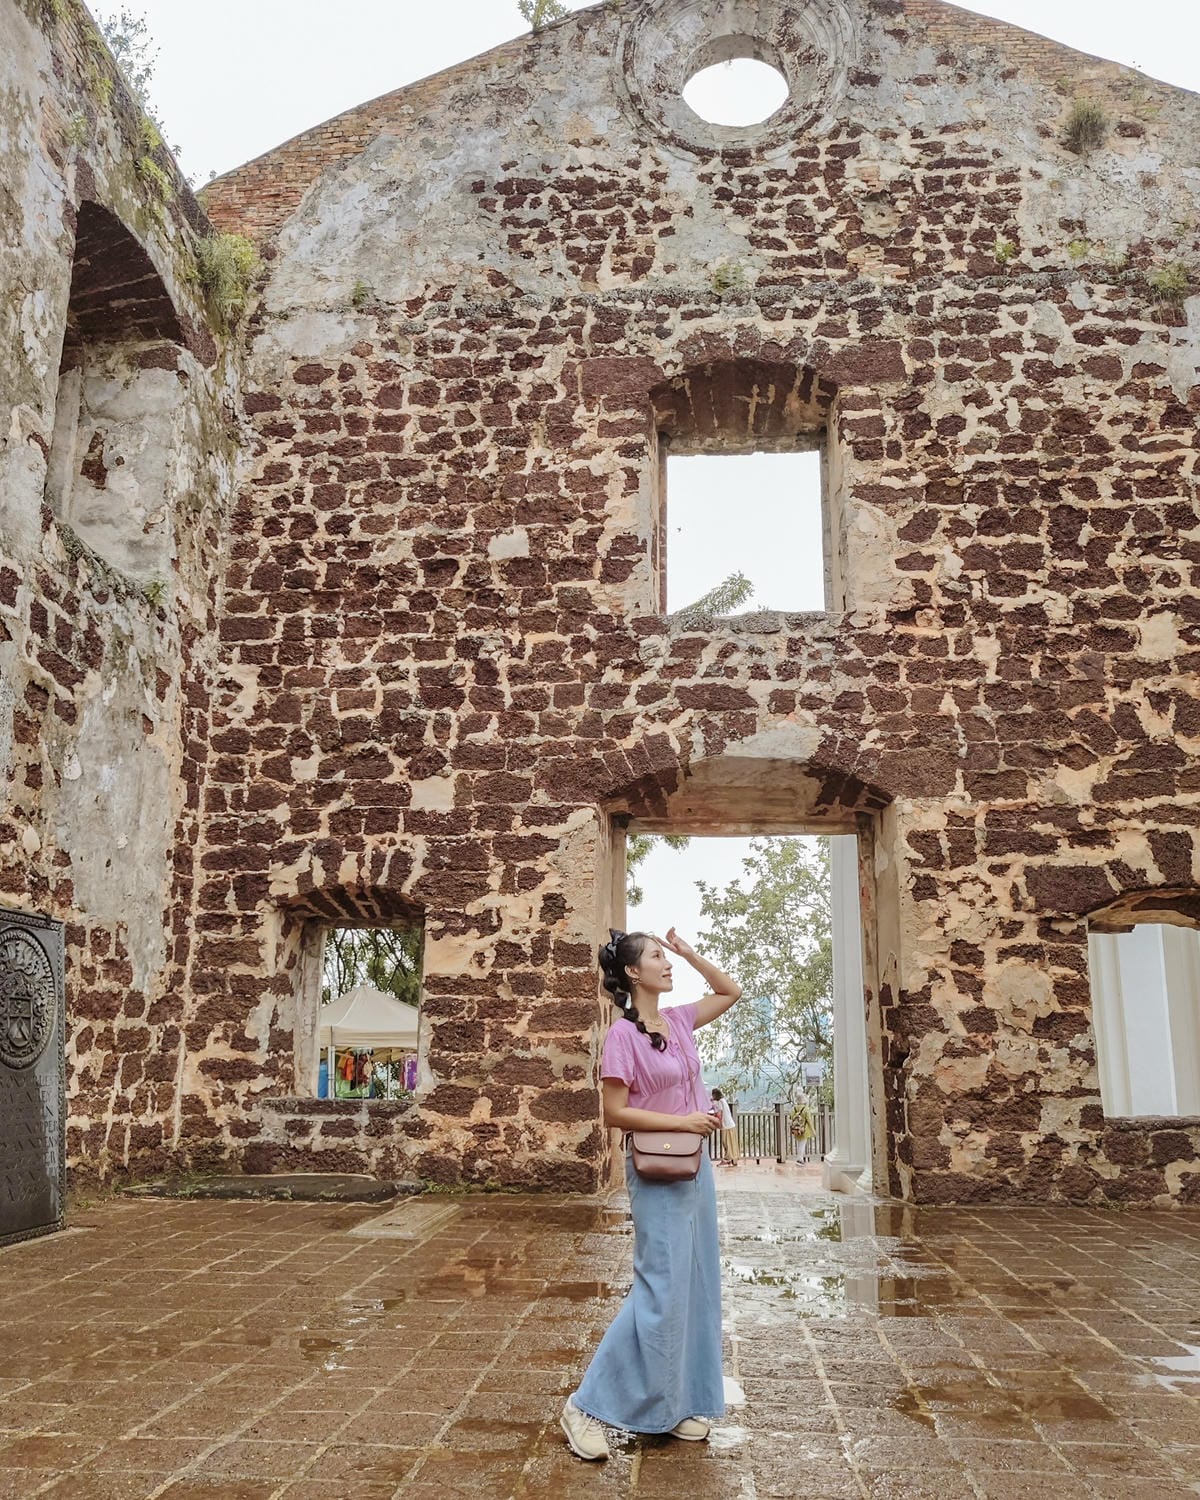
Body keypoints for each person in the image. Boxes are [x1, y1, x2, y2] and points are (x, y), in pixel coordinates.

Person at [560, 927, 742, 1462]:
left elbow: (730, 991)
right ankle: (583, 1405)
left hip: (695, 1168)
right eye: (659, 957)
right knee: (659, 1289)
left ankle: (677, 1402)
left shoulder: (680, 1021)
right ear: (633, 973)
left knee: (695, 1285)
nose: (668, 964)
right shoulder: (622, 1035)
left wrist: (692, 951)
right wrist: (681, 1119)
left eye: (668, 955)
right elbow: (614, 1112)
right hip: (656, 1168)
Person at [711, 1087, 739, 1168]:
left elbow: (719, 1114)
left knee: (726, 1143)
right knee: (729, 1143)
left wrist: (716, 1121)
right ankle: (731, 1159)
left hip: (727, 1126)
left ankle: (727, 1159)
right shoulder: (723, 1101)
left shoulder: (720, 1102)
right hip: (730, 1125)